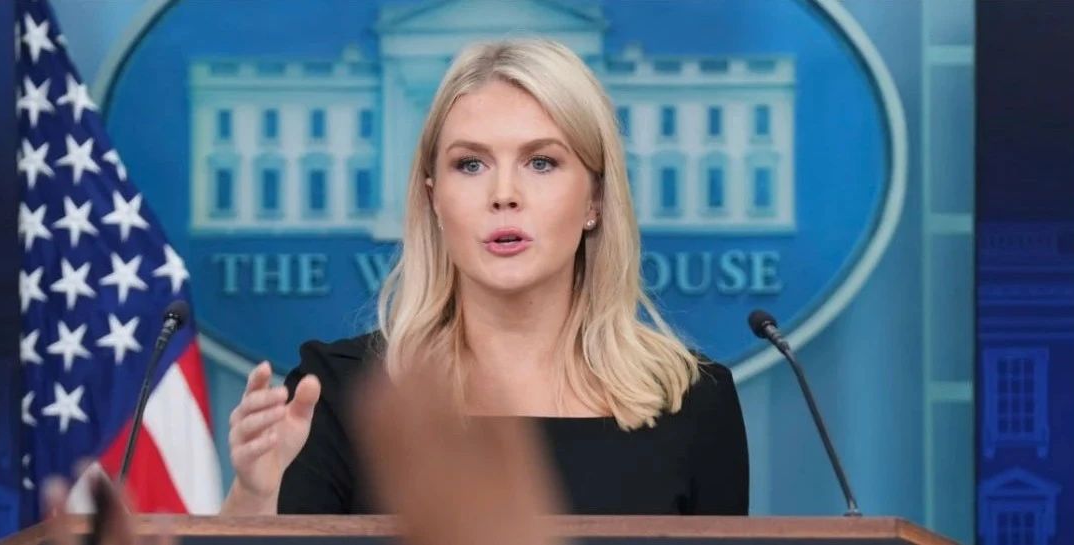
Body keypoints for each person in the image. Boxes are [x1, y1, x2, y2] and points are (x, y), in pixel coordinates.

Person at [221, 37, 749, 516]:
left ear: (595, 198)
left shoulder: (693, 402)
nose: (503, 194)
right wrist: (256, 496)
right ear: (433, 198)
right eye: (471, 165)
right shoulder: (344, 392)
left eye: (541, 162)